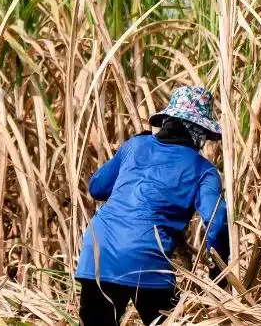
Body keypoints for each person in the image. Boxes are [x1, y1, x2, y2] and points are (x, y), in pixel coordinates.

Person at [75, 86, 230, 326]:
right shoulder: (204, 170)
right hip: (146, 261)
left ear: (167, 120)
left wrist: (130, 153)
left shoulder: (135, 146)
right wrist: (218, 269)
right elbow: (217, 222)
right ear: (200, 132)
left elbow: (97, 188)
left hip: (97, 253)